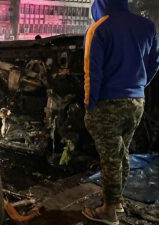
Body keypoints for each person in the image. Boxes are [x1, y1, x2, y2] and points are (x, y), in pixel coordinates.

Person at [82, 0, 159, 224]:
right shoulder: (146, 26)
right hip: (136, 102)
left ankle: (108, 212)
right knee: (122, 153)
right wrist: (139, 88)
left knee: (110, 158)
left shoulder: (99, 29)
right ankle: (117, 202)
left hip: (108, 103)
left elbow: (92, 72)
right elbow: (155, 63)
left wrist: (89, 106)